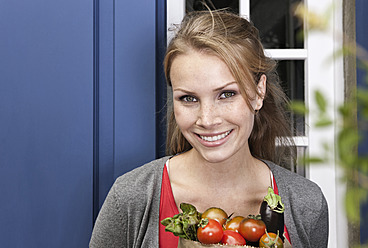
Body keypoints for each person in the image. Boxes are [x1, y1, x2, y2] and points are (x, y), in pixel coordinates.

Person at [89, 10, 329, 248]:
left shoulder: (306, 203)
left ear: (259, 92)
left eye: (226, 94)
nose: (206, 119)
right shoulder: (132, 197)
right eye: (188, 98)